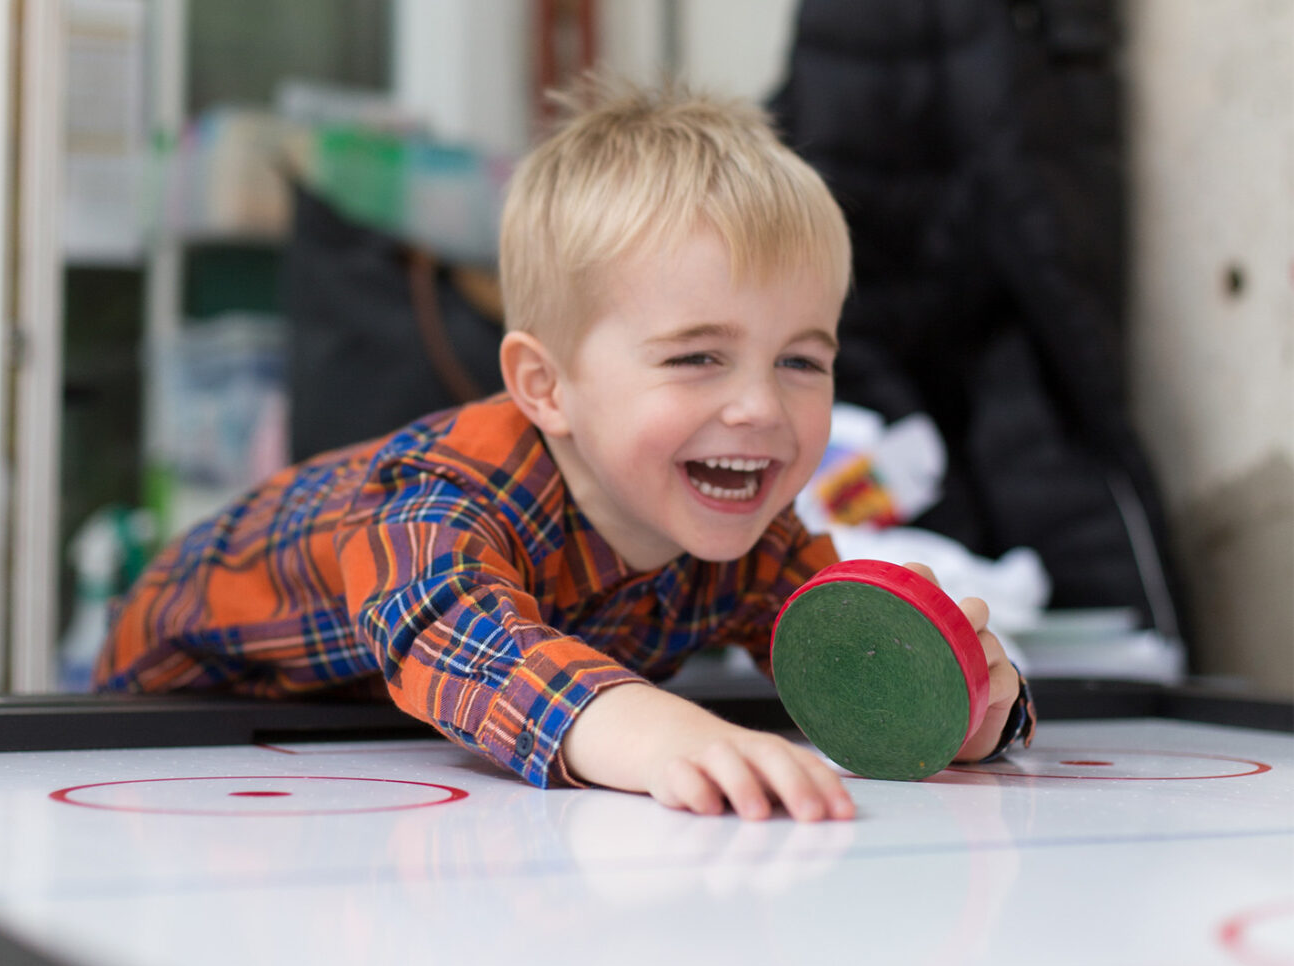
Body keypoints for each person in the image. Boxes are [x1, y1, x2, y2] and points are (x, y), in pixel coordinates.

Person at [95, 77, 1033, 821]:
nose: (759, 407)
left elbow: (844, 657)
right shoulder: (438, 496)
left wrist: (961, 709)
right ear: (544, 386)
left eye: (799, 359)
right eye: (697, 356)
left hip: (379, 753)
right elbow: (457, 636)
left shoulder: (750, 531)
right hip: (166, 725)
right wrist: (660, 736)